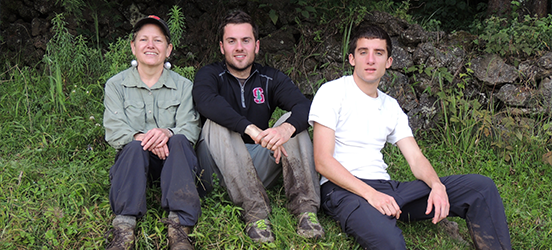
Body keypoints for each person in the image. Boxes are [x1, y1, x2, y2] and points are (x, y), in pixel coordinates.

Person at [309, 25, 512, 250]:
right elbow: (323, 161)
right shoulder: (332, 92)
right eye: (363, 52)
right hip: (344, 190)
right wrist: (372, 195)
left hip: (388, 189)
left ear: (388, 62)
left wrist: (436, 185)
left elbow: (415, 158)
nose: (370, 60)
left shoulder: (390, 106)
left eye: (379, 53)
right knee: (391, 243)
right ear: (351, 59)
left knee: (480, 187)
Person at [192, 10, 324, 243]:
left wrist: (285, 129)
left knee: (292, 123)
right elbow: (206, 102)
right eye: (231, 41)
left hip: (257, 165)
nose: (239, 47)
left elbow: (306, 107)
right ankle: (255, 213)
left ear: (257, 45)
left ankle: (306, 211)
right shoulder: (210, 74)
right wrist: (249, 128)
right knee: (215, 122)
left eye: (246, 40)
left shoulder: (270, 78)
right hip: (215, 167)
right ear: (222, 47)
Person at [103, 15, 201, 250]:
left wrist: (166, 133)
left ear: (168, 49)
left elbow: (191, 127)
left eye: (158, 41)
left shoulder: (185, 86)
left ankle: (179, 228)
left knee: (178, 140)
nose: (150, 45)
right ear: (133, 47)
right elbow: (115, 130)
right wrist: (147, 138)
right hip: (134, 163)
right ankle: (124, 227)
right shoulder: (115, 85)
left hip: (174, 162)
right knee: (134, 147)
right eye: (143, 39)